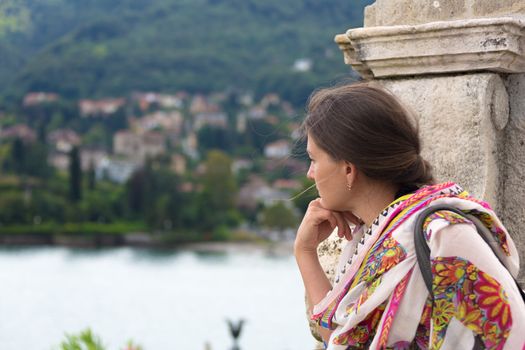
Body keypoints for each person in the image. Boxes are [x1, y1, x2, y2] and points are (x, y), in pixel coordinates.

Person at [294, 82, 525, 349]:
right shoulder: (372, 238)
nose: (310, 174)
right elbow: (340, 339)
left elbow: (511, 333)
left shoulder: (441, 232)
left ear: (348, 169)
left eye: (314, 159)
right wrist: (305, 251)